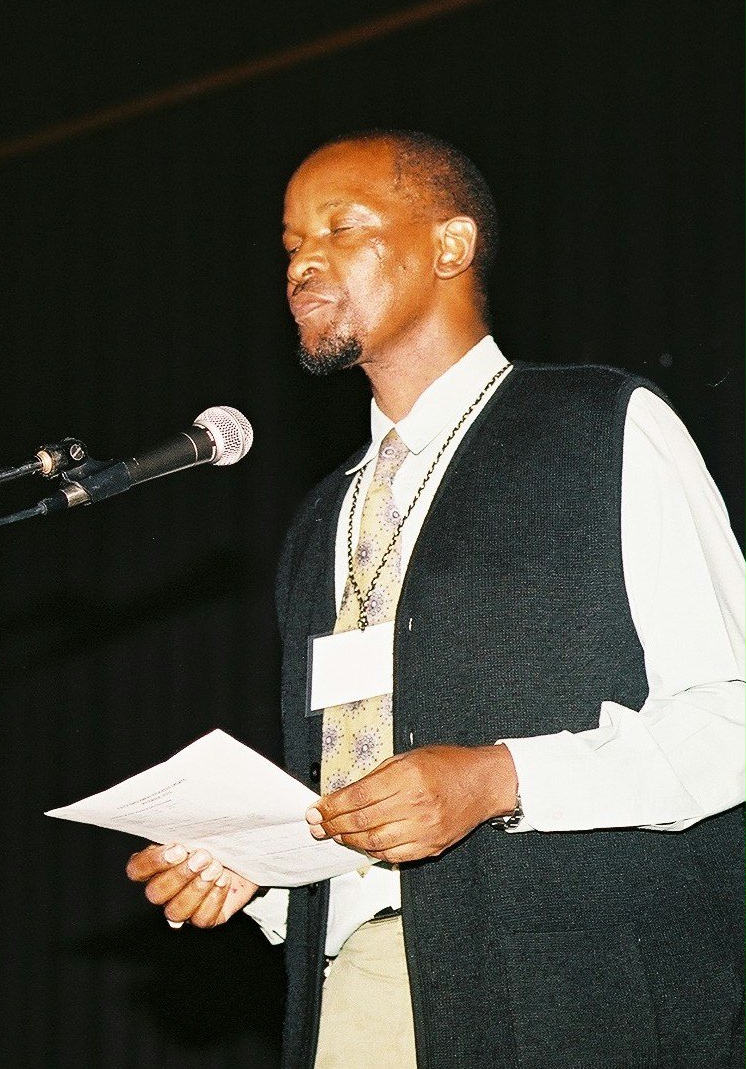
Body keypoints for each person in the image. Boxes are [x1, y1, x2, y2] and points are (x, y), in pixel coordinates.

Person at [127, 130, 746, 1067]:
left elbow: (733, 716)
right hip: (358, 992)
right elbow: (359, 787)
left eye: (342, 227)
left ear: (450, 247)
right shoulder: (323, 517)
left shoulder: (602, 426)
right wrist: (258, 874)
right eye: (293, 243)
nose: (304, 263)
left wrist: (500, 778)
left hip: (578, 1000)